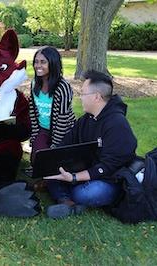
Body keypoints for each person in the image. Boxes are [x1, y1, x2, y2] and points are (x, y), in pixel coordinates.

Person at [44, 70, 137, 219]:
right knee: (50, 172)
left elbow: (108, 167)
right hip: (86, 168)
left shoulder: (117, 124)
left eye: (83, 93)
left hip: (110, 179)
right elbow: (68, 141)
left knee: (89, 193)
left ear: (96, 97)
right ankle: (67, 201)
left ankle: (65, 195)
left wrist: (74, 178)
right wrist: (51, 157)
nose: (80, 97)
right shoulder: (87, 119)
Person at [29, 46, 75, 164]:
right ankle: (40, 180)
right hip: (43, 129)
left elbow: (62, 119)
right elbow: (33, 113)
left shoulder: (62, 87)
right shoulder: (34, 83)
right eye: (36, 62)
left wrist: (55, 145)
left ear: (53, 63)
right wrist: (35, 136)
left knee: (53, 159)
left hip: (63, 130)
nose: (38, 66)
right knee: (37, 158)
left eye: (43, 62)